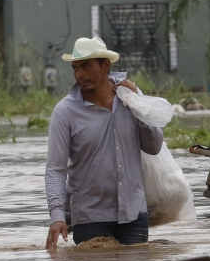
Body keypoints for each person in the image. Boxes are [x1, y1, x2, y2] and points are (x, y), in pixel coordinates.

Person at [45, 37, 164, 248]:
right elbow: (56, 169)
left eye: (86, 66)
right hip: (90, 217)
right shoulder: (64, 112)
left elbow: (153, 147)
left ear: (106, 66)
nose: (80, 75)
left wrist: (139, 103)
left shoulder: (130, 99)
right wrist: (57, 215)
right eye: (75, 68)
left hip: (133, 214)